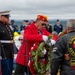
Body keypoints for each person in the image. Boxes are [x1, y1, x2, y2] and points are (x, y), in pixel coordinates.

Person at [0, 10, 14, 75]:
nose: (8, 18)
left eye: (8, 17)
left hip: (10, 52)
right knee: (4, 70)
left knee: (10, 70)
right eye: (6, 17)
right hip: (3, 52)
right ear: (1, 17)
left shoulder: (8, 26)